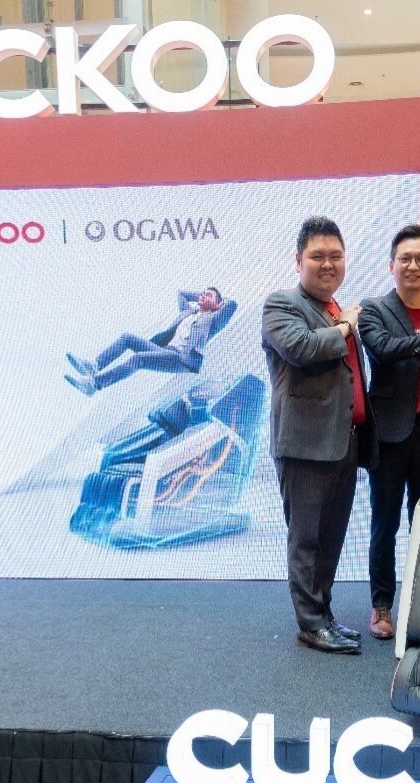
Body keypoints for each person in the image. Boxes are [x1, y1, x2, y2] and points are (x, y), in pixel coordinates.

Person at [261, 216, 375, 655]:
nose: (328, 264)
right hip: (304, 445)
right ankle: (310, 624)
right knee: (306, 540)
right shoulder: (281, 305)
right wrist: (346, 327)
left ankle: (323, 615)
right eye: (318, 256)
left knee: (331, 539)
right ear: (298, 260)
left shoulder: (334, 308)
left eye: (336, 256)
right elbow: (303, 349)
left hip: (343, 443)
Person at [358, 225, 420, 640]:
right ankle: (382, 604)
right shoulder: (373, 311)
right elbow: (384, 349)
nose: (412, 265)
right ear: (391, 265)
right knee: (384, 524)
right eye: (405, 258)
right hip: (388, 435)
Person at [65, 287, 234, 395]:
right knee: (127, 338)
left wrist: (216, 305)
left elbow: (232, 304)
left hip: (181, 359)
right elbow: (181, 293)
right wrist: (202, 297)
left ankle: (94, 385)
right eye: (203, 293)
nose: (203, 295)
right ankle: (94, 366)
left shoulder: (213, 321)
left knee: (138, 359)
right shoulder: (188, 312)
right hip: (165, 351)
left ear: (217, 305)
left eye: (208, 295)